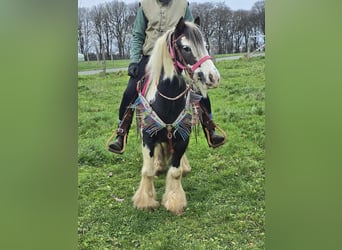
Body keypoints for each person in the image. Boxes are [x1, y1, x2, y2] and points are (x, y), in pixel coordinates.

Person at [108, 0, 225, 154]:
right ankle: (121, 132)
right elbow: (137, 35)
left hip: (177, 56)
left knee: (199, 88)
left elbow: (191, 32)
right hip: (151, 56)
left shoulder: (183, 5)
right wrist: (134, 61)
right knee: (130, 90)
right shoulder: (144, 5)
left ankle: (209, 128)